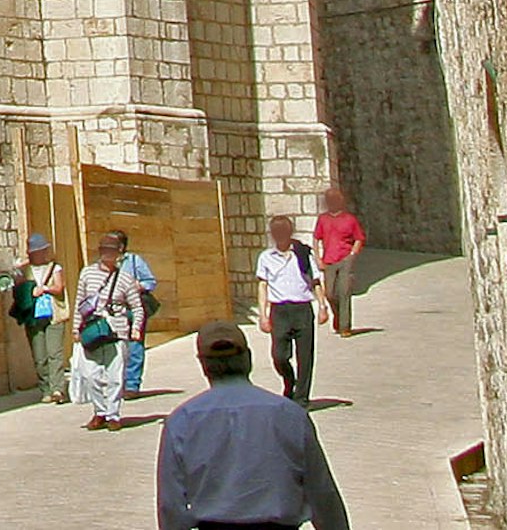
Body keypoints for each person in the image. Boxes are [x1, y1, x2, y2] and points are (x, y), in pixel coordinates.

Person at [156, 317, 350, 530]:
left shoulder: (182, 420)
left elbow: (171, 504)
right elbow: (321, 492)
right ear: (248, 358)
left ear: (203, 364)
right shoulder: (288, 414)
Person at [68, 235, 145, 428]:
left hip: (116, 331)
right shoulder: (87, 274)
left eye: (112, 251)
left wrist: (135, 329)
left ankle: (113, 415)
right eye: (105, 250)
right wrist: (76, 328)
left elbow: (137, 307)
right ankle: (99, 411)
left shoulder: (126, 279)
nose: (108, 254)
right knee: (91, 375)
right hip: (92, 329)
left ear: (119, 254)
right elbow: (80, 303)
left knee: (115, 375)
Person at [254, 213, 319, 403]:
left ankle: (301, 399)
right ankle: (290, 382)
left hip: (302, 308)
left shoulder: (303, 254)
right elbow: (262, 285)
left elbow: (315, 281)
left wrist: (322, 305)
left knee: (305, 357)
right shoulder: (266, 257)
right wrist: (263, 315)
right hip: (279, 310)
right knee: (279, 355)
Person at [8, 234, 67, 402]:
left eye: (42, 251)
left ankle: (58, 389)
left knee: (55, 353)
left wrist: (45, 289)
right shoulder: (24, 270)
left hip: (54, 314)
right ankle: (46, 388)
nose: (39, 254)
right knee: (39, 356)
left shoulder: (54, 267)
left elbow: (59, 288)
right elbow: (18, 291)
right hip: (33, 316)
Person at [114, 230, 164, 396]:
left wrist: (138, 285)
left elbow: (150, 282)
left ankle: (132, 386)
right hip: (114, 311)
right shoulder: (104, 263)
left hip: (134, 308)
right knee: (116, 348)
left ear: (121, 246)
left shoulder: (134, 261)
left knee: (135, 346)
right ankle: (117, 384)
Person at [312, 189, 367, 337]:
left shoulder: (350, 219)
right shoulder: (323, 219)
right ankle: (338, 316)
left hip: (345, 259)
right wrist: (317, 258)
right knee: (329, 293)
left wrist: (352, 254)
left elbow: (359, 238)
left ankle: (345, 327)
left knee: (344, 292)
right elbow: (316, 238)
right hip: (329, 260)